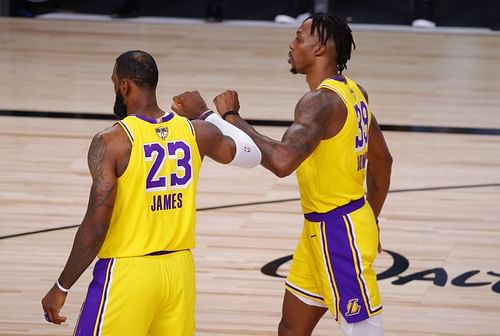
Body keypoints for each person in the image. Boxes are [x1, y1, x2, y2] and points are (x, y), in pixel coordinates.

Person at [173, 13, 392, 336]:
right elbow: (383, 159)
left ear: (320, 49)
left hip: (338, 230)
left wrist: (229, 118)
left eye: (300, 37)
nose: (292, 44)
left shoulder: (318, 102)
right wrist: (369, 218)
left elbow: (282, 162)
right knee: (291, 328)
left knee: (362, 329)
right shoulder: (355, 92)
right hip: (326, 226)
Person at [41, 50, 261, 335]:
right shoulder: (196, 131)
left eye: (114, 81)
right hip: (179, 272)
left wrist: (62, 285)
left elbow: (96, 226)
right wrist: (210, 116)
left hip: (128, 273)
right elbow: (252, 154)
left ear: (123, 86)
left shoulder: (112, 141)